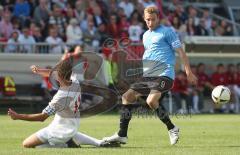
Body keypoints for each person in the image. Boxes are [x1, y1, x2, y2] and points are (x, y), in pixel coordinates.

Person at [103, 6, 197, 145]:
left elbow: (181, 53)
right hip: (148, 75)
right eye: (148, 20)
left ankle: (172, 129)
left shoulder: (167, 32)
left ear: (158, 18)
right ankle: (122, 134)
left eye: (153, 19)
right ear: (144, 19)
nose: (150, 22)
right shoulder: (145, 35)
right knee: (127, 97)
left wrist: (188, 72)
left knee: (151, 101)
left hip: (164, 74)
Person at [8, 59, 109, 148]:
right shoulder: (74, 81)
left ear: (60, 75)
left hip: (58, 131)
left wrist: (18, 116)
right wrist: (39, 71)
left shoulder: (61, 97)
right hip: (72, 126)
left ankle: (64, 144)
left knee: (26, 144)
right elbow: (54, 73)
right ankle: (98, 142)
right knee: (71, 133)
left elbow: (42, 117)